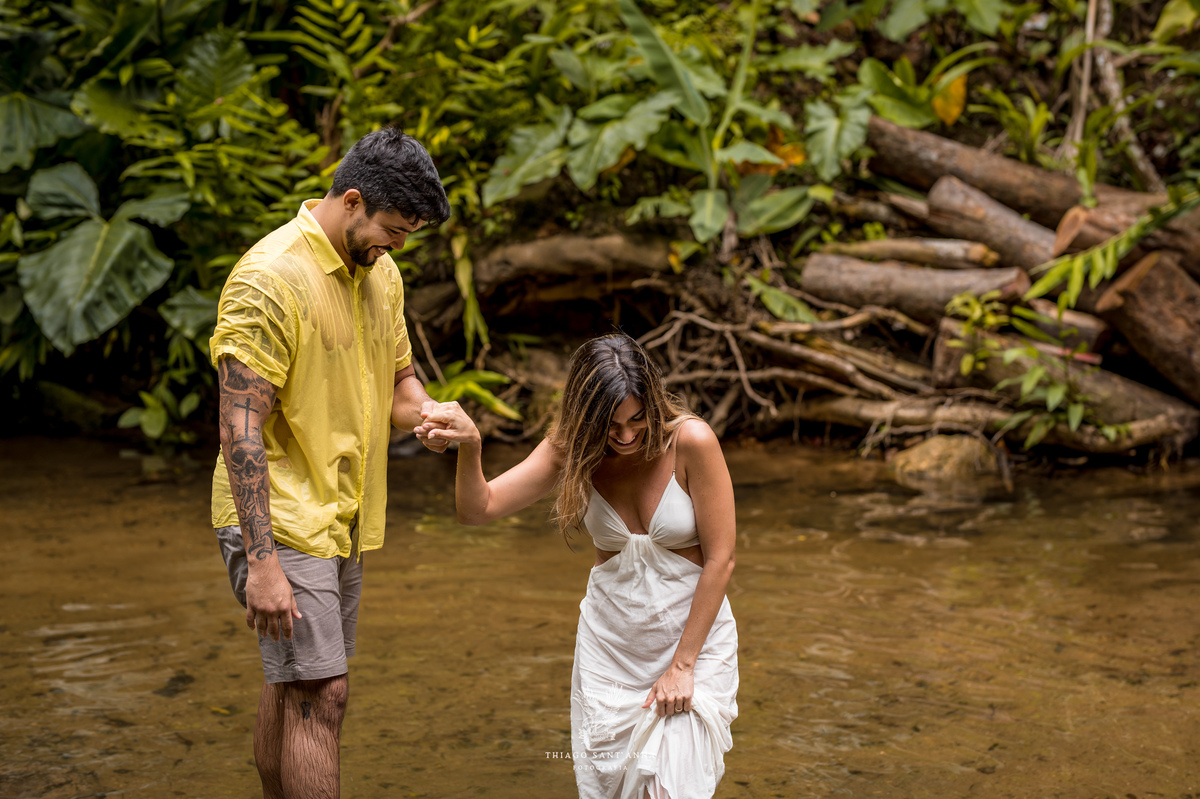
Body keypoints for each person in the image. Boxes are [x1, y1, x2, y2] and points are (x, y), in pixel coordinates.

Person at [210, 127, 451, 799]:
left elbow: (403, 390)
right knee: (326, 690)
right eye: (393, 229)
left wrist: (434, 417)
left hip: (339, 515)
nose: (398, 244)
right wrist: (261, 564)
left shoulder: (380, 275)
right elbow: (239, 427)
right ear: (351, 200)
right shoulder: (270, 278)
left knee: (295, 681)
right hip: (278, 514)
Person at [418, 334, 739, 799]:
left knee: (669, 790)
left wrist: (682, 666)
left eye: (636, 419)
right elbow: (478, 508)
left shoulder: (690, 441)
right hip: (611, 650)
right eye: (610, 425)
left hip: (691, 646)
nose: (627, 436)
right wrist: (471, 445)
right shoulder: (570, 449)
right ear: (585, 417)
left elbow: (722, 559)